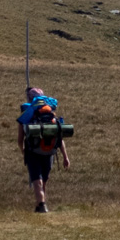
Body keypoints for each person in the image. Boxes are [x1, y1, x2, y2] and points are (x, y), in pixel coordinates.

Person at [16, 85, 70, 213]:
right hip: (50, 151)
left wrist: (23, 150)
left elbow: (19, 139)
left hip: (33, 152)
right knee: (43, 180)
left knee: (36, 180)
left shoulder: (26, 115)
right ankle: (41, 204)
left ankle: (41, 204)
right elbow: (59, 138)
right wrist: (65, 157)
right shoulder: (51, 115)